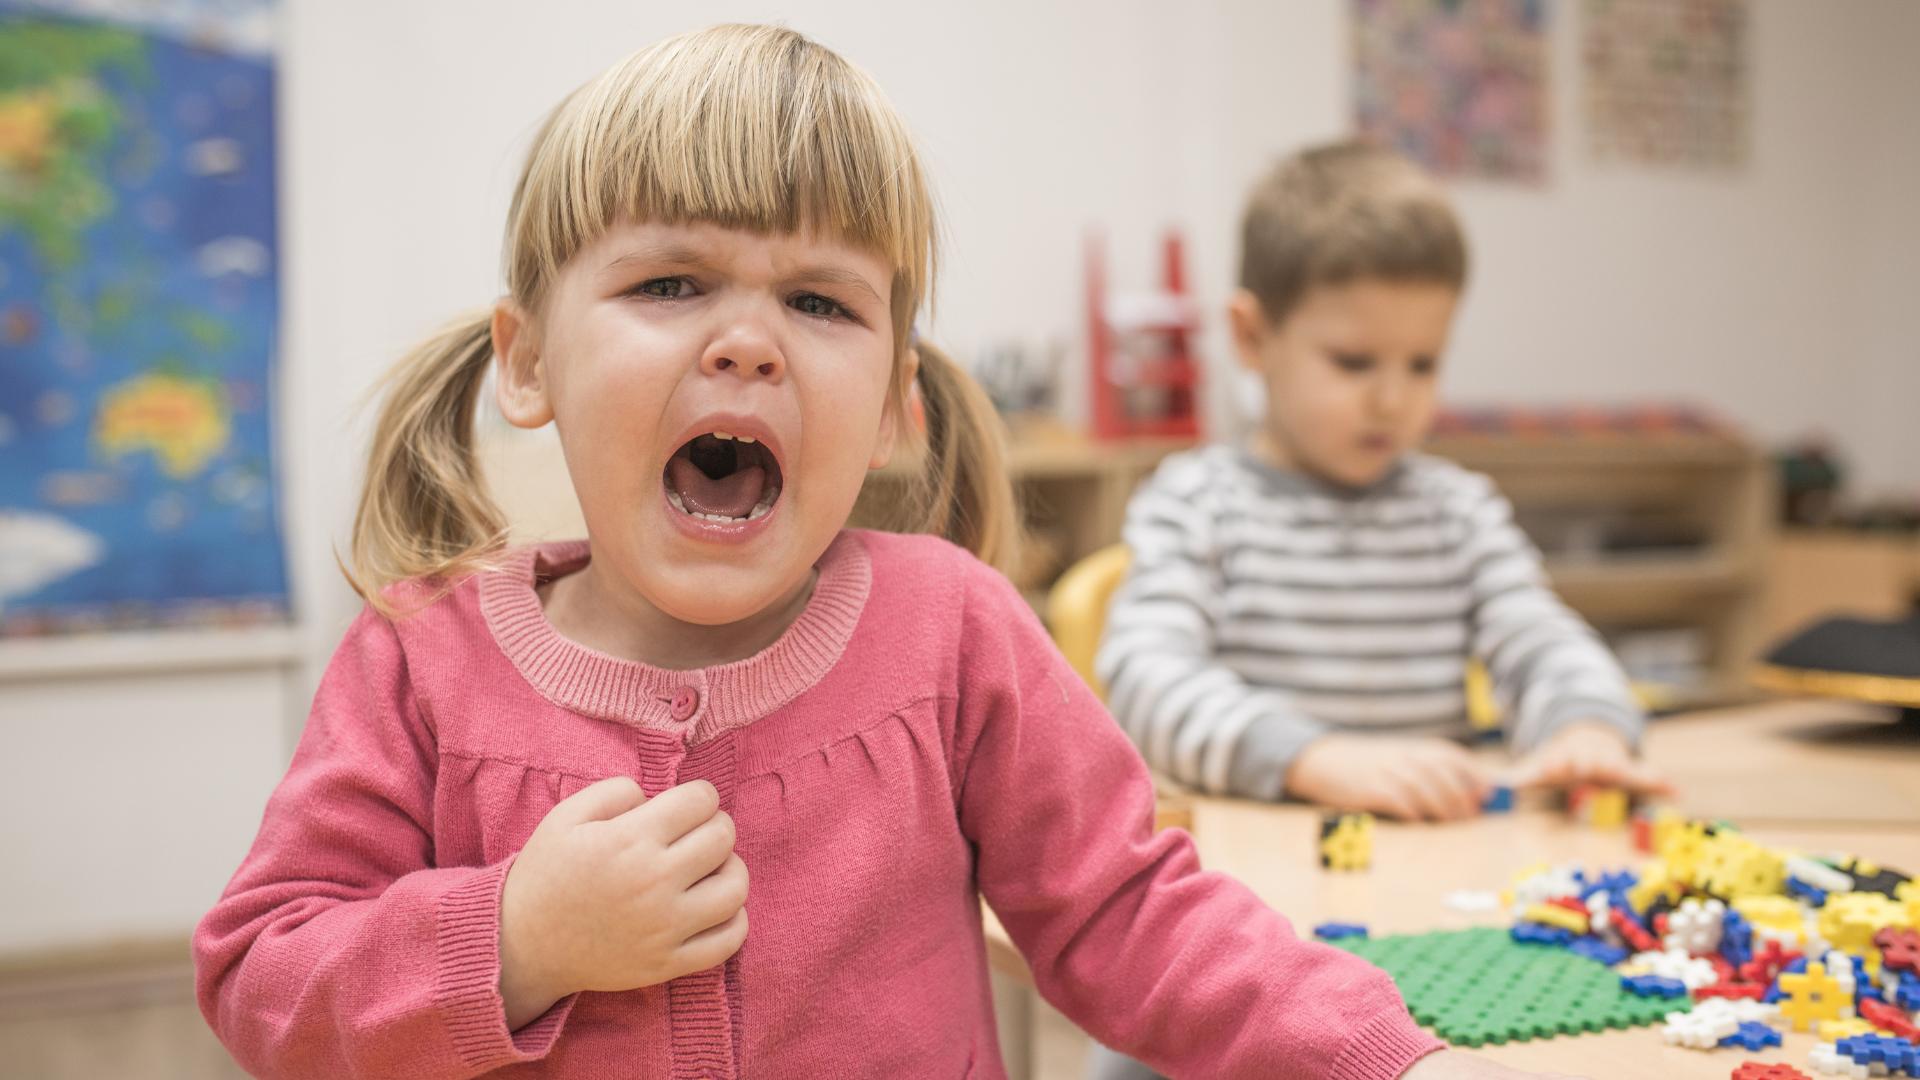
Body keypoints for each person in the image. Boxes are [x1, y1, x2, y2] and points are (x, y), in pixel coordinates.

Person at [195, 28, 1583, 1080]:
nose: (745, 339)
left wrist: (1389, 1058)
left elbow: (1126, 909)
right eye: (669, 284)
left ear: (900, 402)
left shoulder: (953, 631)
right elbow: (261, 975)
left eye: (818, 300)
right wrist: (512, 938)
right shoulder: (421, 660)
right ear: (527, 359)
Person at [1099, 140, 1669, 824]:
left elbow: (1542, 641)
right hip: (1258, 866)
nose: (1393, 401)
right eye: (1354, 362)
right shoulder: (1194, 502)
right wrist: (1314, 758)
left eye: (1423, 364)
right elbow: (1144, 679)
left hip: (1438, 856)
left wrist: (1588, 728)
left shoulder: (1457, 512)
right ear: (1251, 337)